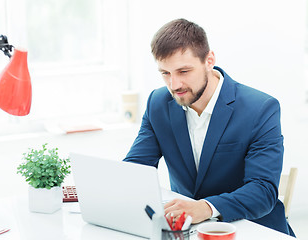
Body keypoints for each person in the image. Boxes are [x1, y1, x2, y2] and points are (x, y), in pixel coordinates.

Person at [123, 18, 295, 237]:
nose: (174, 85)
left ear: (209, 60)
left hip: (253, 229)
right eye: (165, 73)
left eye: (183, 71)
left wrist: (204, 208)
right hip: (187, 231)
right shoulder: (158, 103)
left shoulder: (260, 109)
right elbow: (134, 171)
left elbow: (263, 191)